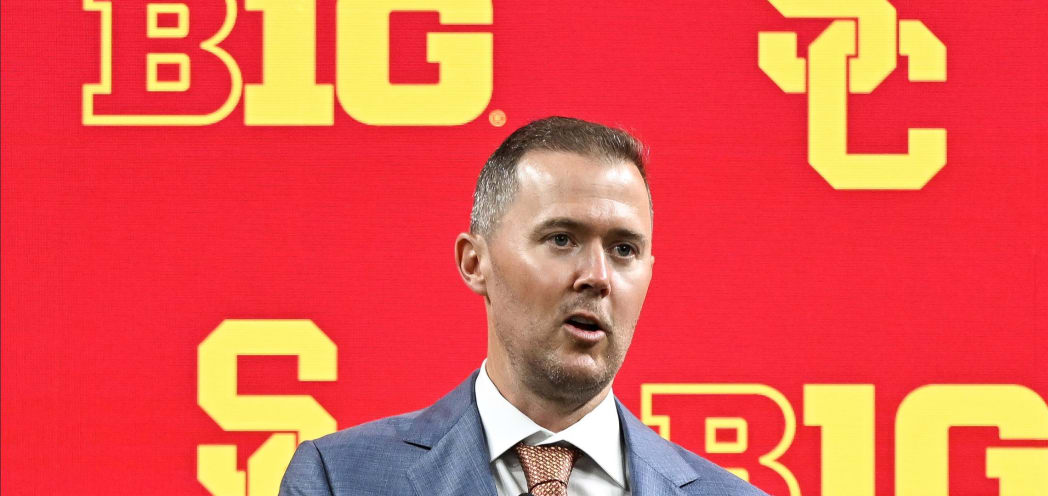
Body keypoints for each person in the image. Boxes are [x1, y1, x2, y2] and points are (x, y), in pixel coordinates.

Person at [279, 116, 768, 496]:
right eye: (561, 239)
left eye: (624, 250)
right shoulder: (341, 481)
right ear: (475, 263)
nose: (597, 276)